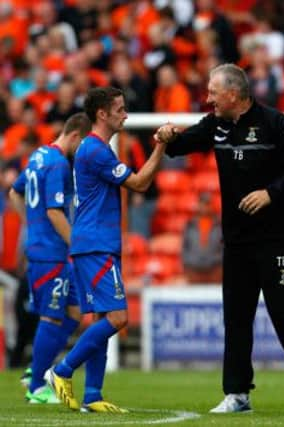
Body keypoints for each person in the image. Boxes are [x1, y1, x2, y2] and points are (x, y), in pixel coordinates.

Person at [155, 63, 284, 415]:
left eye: (213, 93)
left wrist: (271, 193)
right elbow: (183, 145)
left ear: (234, 94)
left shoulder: (276, 124)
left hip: (276, 237)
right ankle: (238, 394)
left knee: (283, 313)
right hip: (237, 240)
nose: (207, 99)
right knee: (236, 317)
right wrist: (168, 137)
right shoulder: (217, 125)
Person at [45, 87, 166, 413]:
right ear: (102, 113)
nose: (126, 114)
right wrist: (161, 146)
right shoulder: (95, 151)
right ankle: (62, 370)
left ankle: (92, 396)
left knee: (101, 317)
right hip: (96, 244)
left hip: (97, 243)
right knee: (117, 317)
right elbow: (140, 183)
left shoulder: (95, 150)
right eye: (120, 109)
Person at [9, 112, 92, 404]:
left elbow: (14, 192)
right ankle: (36, 389)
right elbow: (54, 211)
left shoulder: (38, 156)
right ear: (74, 137)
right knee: (51, 315)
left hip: (43, 247)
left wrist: (30, 226)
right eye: (82, 145)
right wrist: (75, 244)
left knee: (74, 311)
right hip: (51, 253)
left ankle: (37, 367)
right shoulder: (57, 164)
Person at [181, 192, 223, 284]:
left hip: (214, 270)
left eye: (207, 204)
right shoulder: (190, 225)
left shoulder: (219, 225)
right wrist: (187, 264)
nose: (204, 207)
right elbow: (185, 246)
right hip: (193, 269)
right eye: (202, 203)